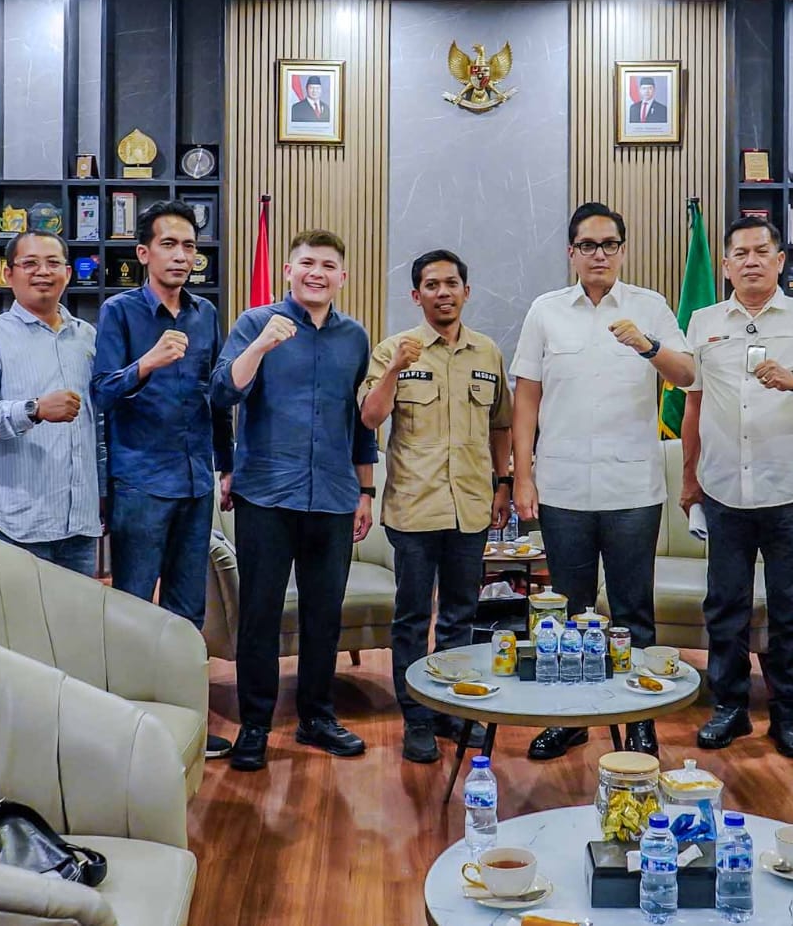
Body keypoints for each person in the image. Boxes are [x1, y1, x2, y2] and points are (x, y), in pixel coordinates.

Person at [511, 202, 695, 759]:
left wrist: (648, 345)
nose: (599, 254)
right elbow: (526, 399)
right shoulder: (546, 311)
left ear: (622, 250)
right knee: (567, 611)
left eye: (609, 244)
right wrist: (523, 477)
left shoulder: (649, 306)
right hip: (563, 486)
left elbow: (689, 374)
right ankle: (570, 718)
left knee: (633, 610)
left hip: (631, 489)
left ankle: (639, 719)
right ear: (571, 253)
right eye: (587, 245)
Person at [680, 217, 793, 758]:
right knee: (724, 607)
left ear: (780, 261)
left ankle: (788, 715)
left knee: (791, 612)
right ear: (726, 266)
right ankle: (728, 708)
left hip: (790, 491)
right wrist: (689, 477)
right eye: (740, 253)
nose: (750, 261)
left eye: (761, 251)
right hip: (724, 490)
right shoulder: (704, 321)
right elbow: (692, 404)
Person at [211, 229, 377, 772]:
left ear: (342, 277)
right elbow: (223, 392)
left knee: (323, 614)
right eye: (307, 263)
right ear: (288, 271)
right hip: (266, 493)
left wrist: (366, 491)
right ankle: (256, 724)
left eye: (328, 265)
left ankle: (316, 717)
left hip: (333, 494)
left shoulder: (355, 337)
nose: (316, 273)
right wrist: (261, 346)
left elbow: (360, 422)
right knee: (260, 613)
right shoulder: (255, 323)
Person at [93, 199, 235, 760]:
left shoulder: (205, 313)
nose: (181, 256)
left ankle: (188, 726)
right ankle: (129, 734)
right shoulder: (120, 312)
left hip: (197, 481)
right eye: (169, 245)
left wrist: (227, 463)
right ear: (143, 253)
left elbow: (215, 397)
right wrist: (147, 362)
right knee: (132, 609)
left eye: (190, 246)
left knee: (187, 611)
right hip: (140, 481)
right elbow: (101, 392)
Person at [359, 249, 512, 765]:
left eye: (451, 284)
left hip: (470, 506)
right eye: (431, 285)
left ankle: (451, 708)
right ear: (416, 295)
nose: (442, 293)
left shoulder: (487, 352)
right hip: (414, 508)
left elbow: (501, 425)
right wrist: (394, 371)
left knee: (460, 617)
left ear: (466, 291)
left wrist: (504, 484)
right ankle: (417, 718)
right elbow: (369, 418)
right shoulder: (392, 350)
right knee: (411, 619)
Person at [0, 230, 100, 574]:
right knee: (16, 612)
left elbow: (100, 422)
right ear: (8, 274)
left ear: (68, 273)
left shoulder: (87, 336)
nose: (43, 272)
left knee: (80, 611)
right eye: (30, 263)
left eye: (53, 263)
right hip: (15, 526)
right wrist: (34, 410)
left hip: (80, 524)